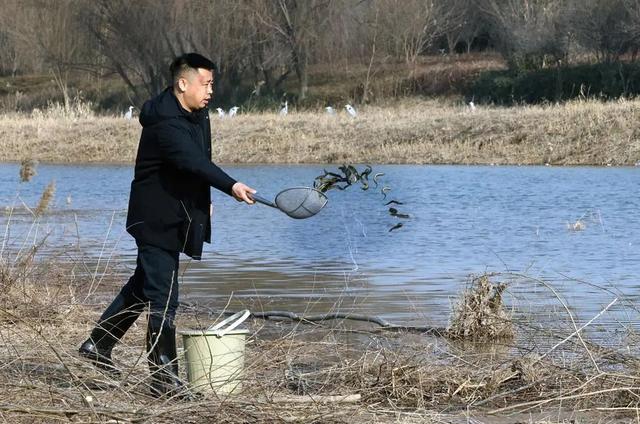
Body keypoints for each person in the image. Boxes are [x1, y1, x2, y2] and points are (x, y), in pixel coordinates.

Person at [78, 53, 255, 398]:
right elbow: (189, 160)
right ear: (182, 83)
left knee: (145, 286)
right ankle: (163, 377)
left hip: (176, 214)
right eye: (205, 84)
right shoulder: (164, 122)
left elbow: (200, 162)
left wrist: (205, 203)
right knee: (165, 297)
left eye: (212, 84)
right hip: (155, 217)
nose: (210, 92)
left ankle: (98, 344)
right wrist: (231, 185)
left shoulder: (197, 114)